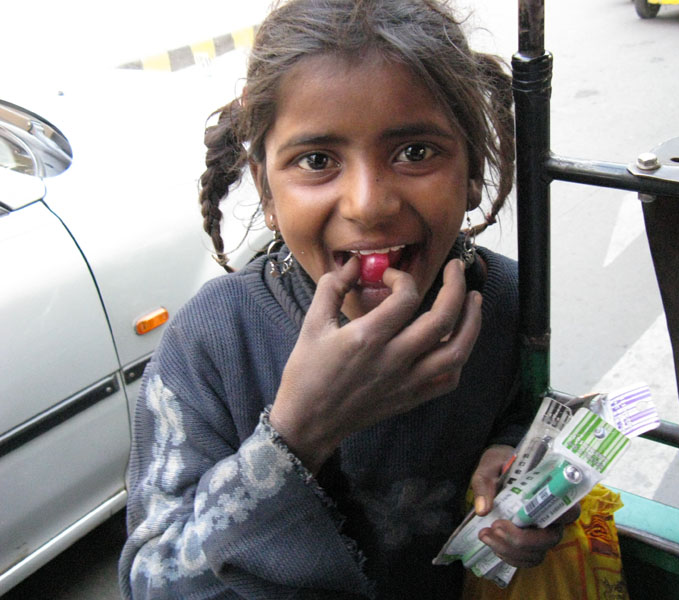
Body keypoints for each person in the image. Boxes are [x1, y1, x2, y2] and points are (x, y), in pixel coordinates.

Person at [118, 0, 577, 598]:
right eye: (316, 161)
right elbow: (151, 582)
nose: (368, 204)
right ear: (267, 190)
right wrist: (298, 434)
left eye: (415, 152)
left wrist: (519, 472)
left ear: (471, 172)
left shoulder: (508, 301)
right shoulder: (213, 336)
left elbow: (530, 418)